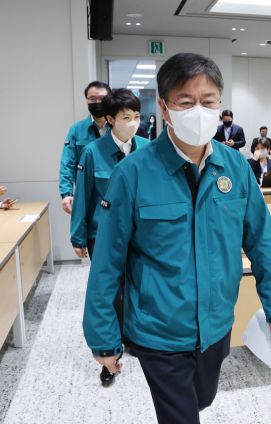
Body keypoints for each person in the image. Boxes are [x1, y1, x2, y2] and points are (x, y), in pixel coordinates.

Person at [82, 53, 271, 424]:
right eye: (185, 102)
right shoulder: (132, 174)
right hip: (158, 331)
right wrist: (103, 335)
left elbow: (262, 242)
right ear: (164, 107)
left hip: (215, 324)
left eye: (208, 102)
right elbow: (107, 261)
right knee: (180, 417)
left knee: (202, 399)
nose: (199, 111)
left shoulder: (235, 167)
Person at [70, 89, 150, 387]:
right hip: (100, 233)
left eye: (137, 117)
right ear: (110, 119)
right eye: (126, 118)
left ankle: (134, 337)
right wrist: (78, 236)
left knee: (136, 283)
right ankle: (110, 349)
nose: (133, 123)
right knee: (110, 288)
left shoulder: (146, 148)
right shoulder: (92, 152)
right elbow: (83, 198)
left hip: (139, 231)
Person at [59, 81, 112, 215]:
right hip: (87, 195)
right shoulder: (77, 130)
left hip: (115, 192)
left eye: (102, 98)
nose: (97, 102)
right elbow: (68, 163)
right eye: (92, 99)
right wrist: (67, 193)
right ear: (87, 101)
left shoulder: (118, 128)